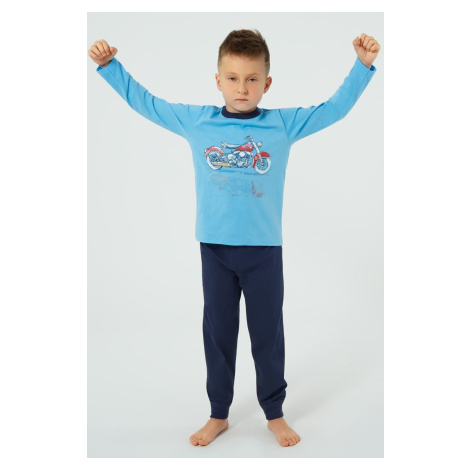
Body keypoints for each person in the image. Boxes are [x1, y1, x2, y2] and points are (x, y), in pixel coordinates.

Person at [88, 29, 380, 448]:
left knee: (267, 335)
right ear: (218, 80)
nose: (242, 87)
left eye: (251, 79)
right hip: (216, 251)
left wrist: (362, 66)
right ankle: (218, 414)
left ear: (267, 83)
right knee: (219, 334)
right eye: (232, 78)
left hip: (263, 253)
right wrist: (109, 66)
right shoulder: (197, 121)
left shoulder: (282, 124)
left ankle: (274, 413)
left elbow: (333, 109)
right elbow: (147, 103)